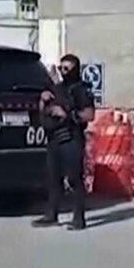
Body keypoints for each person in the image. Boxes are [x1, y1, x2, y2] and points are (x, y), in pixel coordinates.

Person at [34, 54, 95, 231]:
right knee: (53, 178)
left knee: (75, 179)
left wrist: (67, 114)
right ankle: (51, 214)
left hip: (72, 138)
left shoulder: (81, 90)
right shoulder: (56, 88)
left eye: (66, 69)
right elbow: (44, 111)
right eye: (61, 68)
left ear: (75, 70)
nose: (63, 72)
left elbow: (90, 114)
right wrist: (43, 101)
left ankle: (78, 218)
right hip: (54, 138)